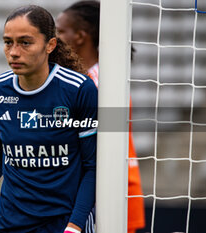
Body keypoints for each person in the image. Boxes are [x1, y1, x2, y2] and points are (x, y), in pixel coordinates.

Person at [0, 5, 97, 233]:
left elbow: (92, 167)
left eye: (25, 42)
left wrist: (75, 225)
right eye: (8, 42)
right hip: (12, 223)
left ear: (50, 45)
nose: (14, 52)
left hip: (64, 224)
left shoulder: (79, 89)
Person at [56, 1, 146, 233]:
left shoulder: (101, 85)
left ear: (80, 36)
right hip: (99, 196)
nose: (53, 39)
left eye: (60, 31)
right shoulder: (92, 79)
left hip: (111, 197)